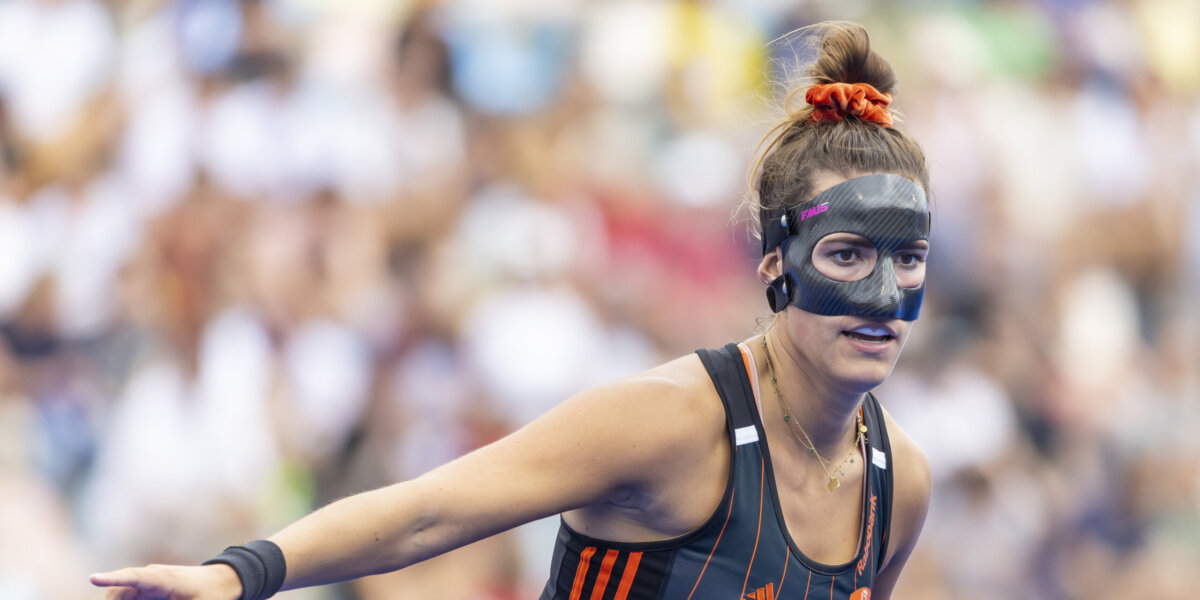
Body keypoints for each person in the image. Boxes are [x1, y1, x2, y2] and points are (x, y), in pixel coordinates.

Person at [91, 21, 932, 600]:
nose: (883, 295)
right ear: (775, 268)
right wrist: (239, 576)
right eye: (846, 256)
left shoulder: (899, 484)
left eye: (907, 258)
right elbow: (429, 511)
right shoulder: (672, 423)